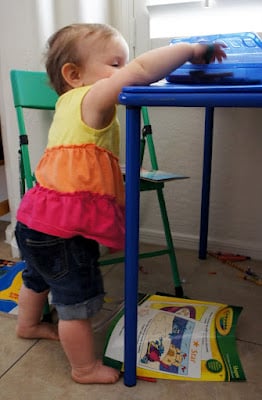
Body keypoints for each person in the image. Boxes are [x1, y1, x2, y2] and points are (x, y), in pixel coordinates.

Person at [15, 23, 226, 384]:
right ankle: (83, 368)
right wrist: (191, 50)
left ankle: (29, 325)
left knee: (38, 278)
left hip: (34, 219)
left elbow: (79, 166)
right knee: (75, 303)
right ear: (74, 74)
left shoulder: (67, 105)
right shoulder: (93, 98)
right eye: (116, 64)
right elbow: (142, 71)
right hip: (65, 231)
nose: (124, 70)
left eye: (122, 64)